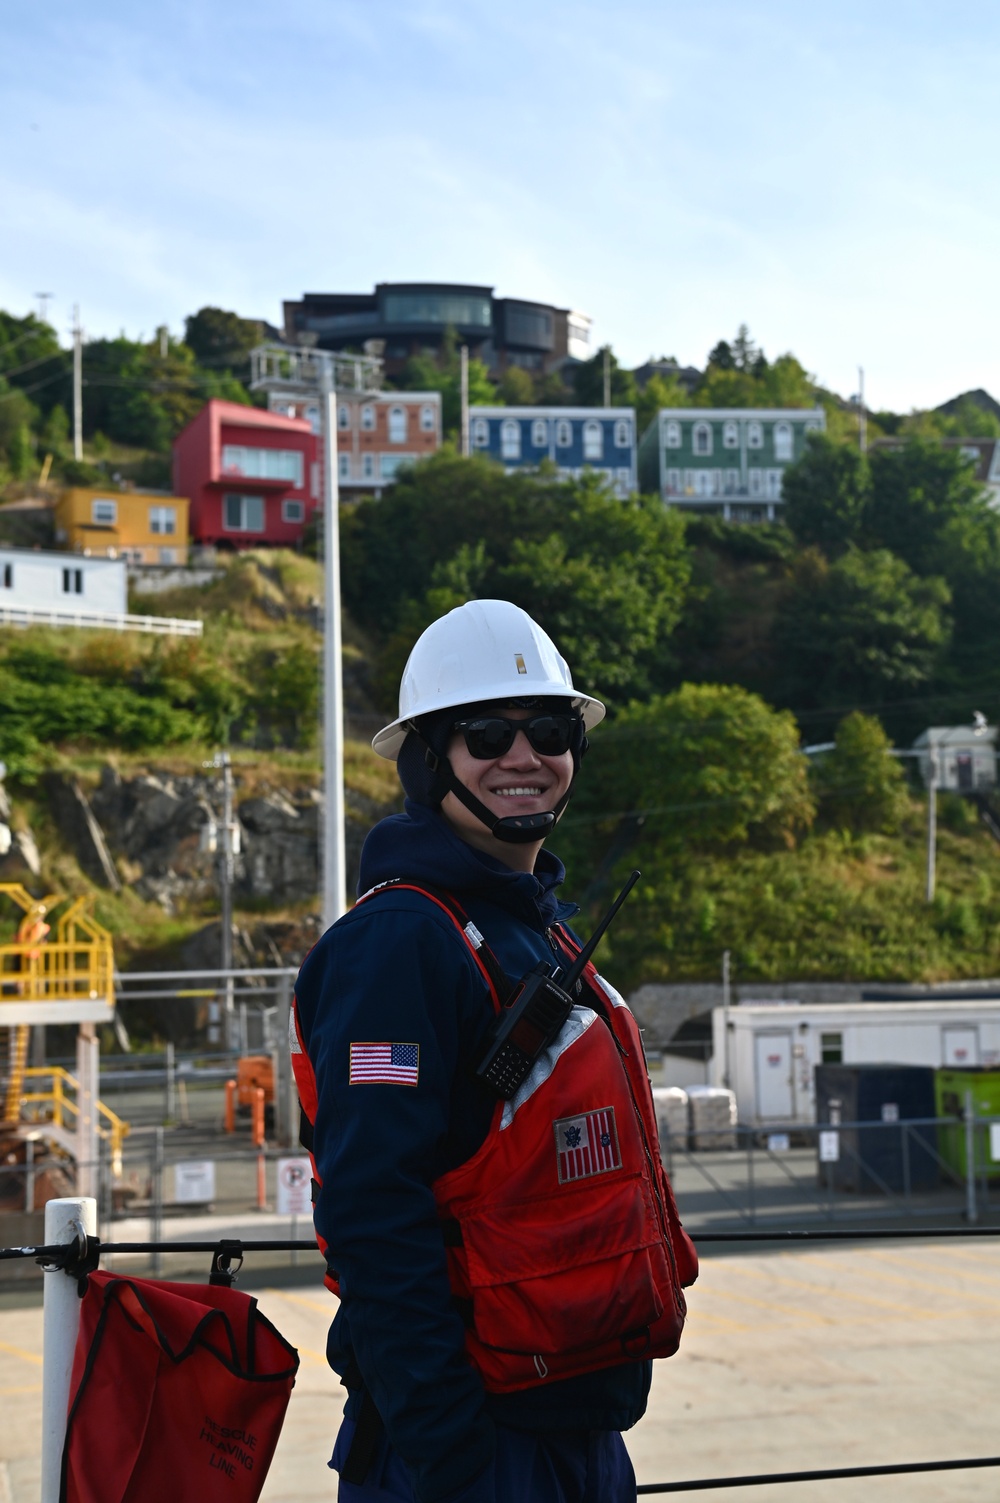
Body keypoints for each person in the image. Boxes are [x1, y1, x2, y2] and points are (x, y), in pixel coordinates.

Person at [291, 599, 698, 1503]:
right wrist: (451, 1456)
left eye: (549, 730)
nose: (524, 756)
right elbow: (371, 1208)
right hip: (474, 1446)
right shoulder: (401, 941)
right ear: (428, 760)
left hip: (576, 1431)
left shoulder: (528, 931)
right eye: (485, 733)